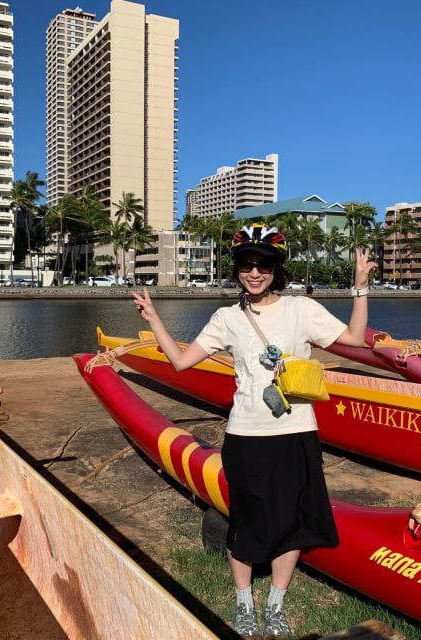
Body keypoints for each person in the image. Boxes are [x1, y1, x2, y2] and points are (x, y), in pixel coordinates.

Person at [132, 223, 376, 639]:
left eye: (263, 263)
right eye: (247, 263)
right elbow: (180, 361)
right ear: (238, 269)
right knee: (247, 519)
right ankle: (243, 600)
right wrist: (154, 318)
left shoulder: (301, 309)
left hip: (296, 431)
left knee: (292, 519)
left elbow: (354, 339)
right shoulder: (226, 318)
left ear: (276, 268)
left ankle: (276, 601)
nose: (254, 271)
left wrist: (360, 287)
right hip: (246, 435)